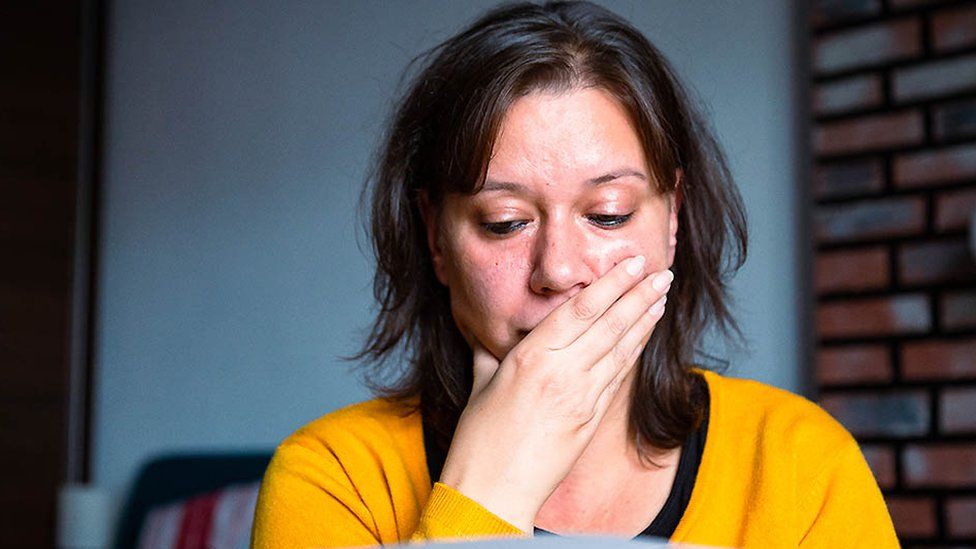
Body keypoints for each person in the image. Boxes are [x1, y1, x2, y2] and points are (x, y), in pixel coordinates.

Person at [251, 2, 899, 547]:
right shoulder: (333, 475)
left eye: (608, 214)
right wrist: (488, 488)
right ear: (434, 236)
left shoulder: (799, 461)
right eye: (505, 221)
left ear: (672, 218)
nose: (558, 270)